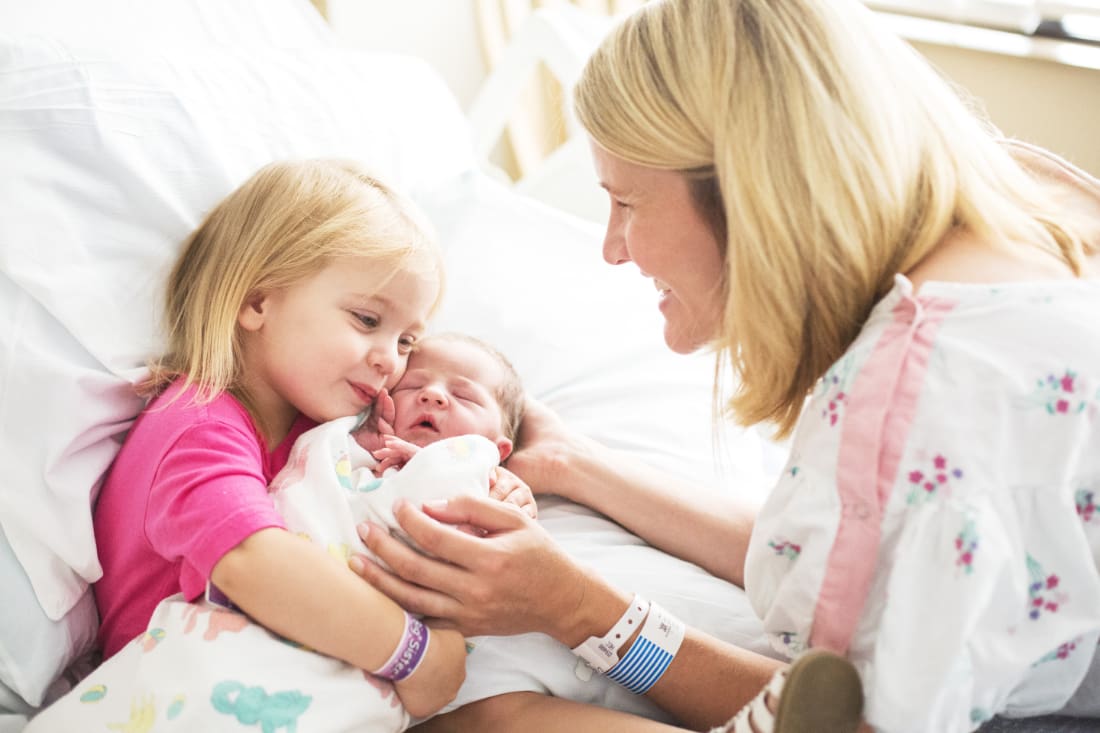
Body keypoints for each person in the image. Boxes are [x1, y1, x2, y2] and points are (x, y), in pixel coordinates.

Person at [347, 1, 1100, 732]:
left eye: (627, 202)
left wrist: (578, 608)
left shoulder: (918, 395)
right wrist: (575, 464)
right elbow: (832, 551)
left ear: (749, 194)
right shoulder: (1023, 215)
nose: (612, 247)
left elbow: (849, 720)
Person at [90, 158, 466, 719]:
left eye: (408, 340)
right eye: (367, 320)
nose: (390, 359)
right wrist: (418, 654)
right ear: (257, 301)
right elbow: (251, 560)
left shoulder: (317, 431)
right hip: (179, 699)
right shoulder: (198, 423)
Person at [270, 331, 536, 566]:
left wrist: (427, 464)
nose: (432, 395)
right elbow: (313, 470)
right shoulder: (355, 449)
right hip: (288, 562)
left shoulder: (491, 487)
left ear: (499, 450)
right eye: (412, 386)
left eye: (463, 396)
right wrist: (362, 438)